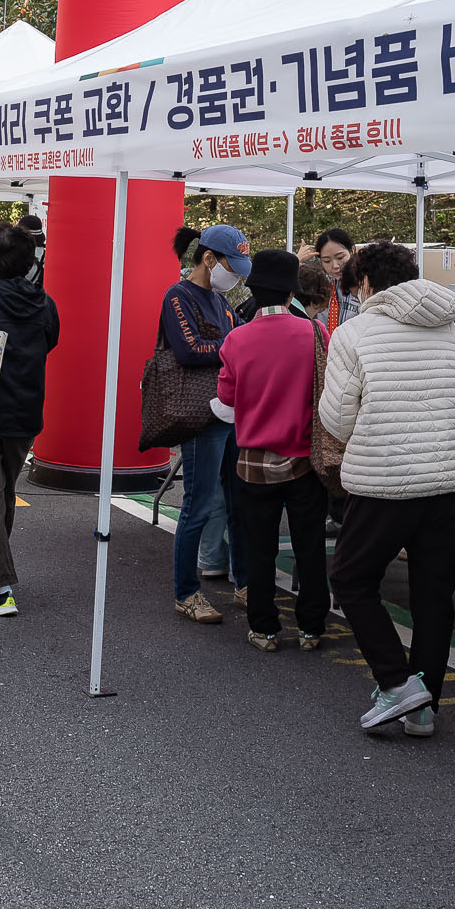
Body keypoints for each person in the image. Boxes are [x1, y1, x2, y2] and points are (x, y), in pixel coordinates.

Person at [320, 239, 455, 735]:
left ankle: (397, 681)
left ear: (364, 283)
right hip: (449, 480)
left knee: (350, 579)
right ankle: (426, 705)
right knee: (434, 593)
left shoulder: (355, 332)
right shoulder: (451, 326)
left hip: (385, 479)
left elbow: (338, 419)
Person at [213, 249, 331, 653]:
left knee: (259, 549)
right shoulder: (316, 334)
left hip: (253, 464)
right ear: (290, 293)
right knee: (309, 548)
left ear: (254, 288)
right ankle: (312, 628)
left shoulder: (235, 339)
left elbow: (226, 404)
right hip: (304, 461)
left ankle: (264, 628)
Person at [163, 223, 248, 623]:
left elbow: (235, 342)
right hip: (199, 414)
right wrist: (233, 346)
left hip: (229, 411)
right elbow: (189, 349)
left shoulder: (222, 301)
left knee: (238, 500)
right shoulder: (178, 296)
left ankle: (245, 582)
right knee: (197, 504)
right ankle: (186, 592)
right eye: (233, 267)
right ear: (209, 259)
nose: (236, 278)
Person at [0, 222, 57, 616]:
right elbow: (51, 341)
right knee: (4, 490)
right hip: (26, 411)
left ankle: (1, 587)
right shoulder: (44, 302)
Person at [313, 227, 360, 337]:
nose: (335, 266)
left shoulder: (365, 285)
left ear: (352, 251)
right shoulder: (317, 286)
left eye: (340, 257)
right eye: (327, 261)